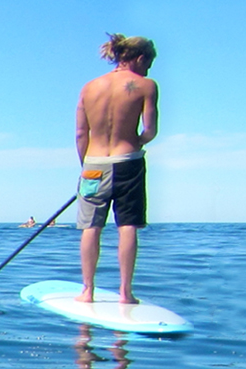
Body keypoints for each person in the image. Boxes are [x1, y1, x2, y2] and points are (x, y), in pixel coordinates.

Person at [74, 33, 158, 304]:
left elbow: (80, 133)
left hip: (93, 165)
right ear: (141, 58)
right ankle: (125, 292)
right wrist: (137, 141)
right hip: (128, 163)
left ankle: (87, 291)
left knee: (91, 227)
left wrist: (86, 166)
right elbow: (150, 130)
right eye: (148, 63)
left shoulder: (89, 87)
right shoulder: (146, 85)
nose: (148, 70)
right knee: (128, 226)